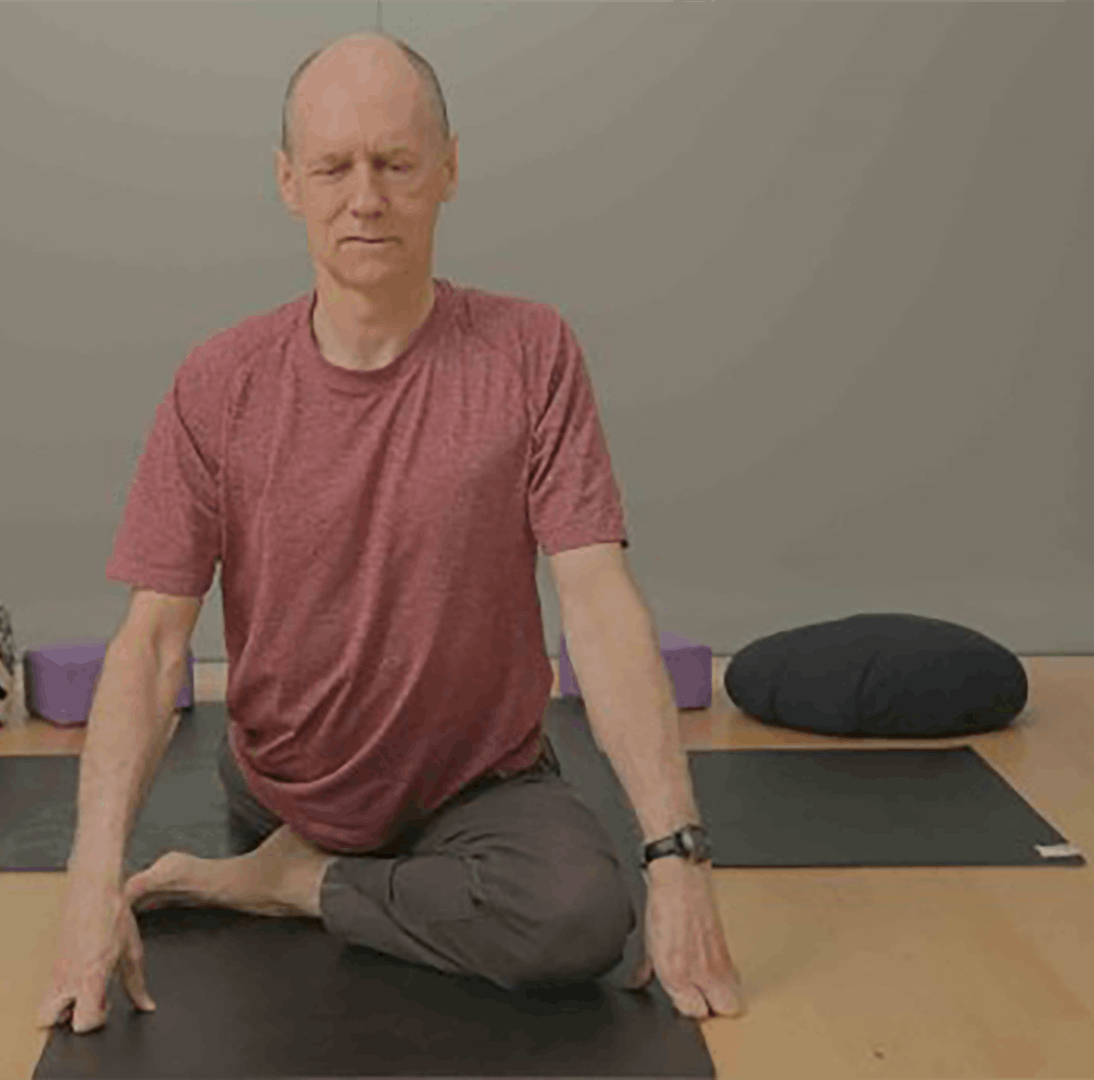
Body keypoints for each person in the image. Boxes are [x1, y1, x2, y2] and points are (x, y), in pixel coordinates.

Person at [39, 30, 744, 1036]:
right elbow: (151, 642)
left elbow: (597, 600)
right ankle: (308, 856)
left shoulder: (531, 350)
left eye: (396, 164)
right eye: (333, 167)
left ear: (448, 170)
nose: (364, 198)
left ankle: (290, 883)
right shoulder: (219, 382)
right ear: (288, 181)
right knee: (442, 874)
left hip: (476, 784)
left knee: (582, 919)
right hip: (294, 783)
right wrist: (89, 882)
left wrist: (677, 858)